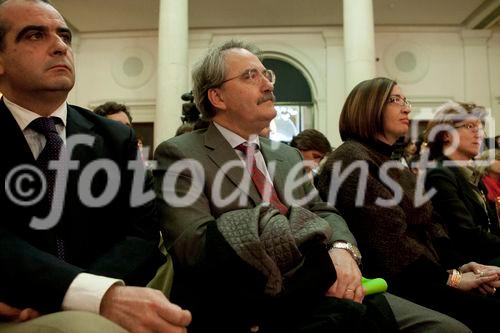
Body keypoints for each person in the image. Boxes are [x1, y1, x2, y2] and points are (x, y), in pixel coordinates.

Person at [154, 41, 471, 333]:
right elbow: (193, 246)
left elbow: (323, 211)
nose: (268, 83)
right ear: (217, 96)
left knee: (449, 329)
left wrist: (342, 250)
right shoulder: (181, 154)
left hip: (336, 281)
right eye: (251, 76)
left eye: (267, 74)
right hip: (263, 301)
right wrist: (310, 259)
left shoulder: (285, 154)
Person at [0, 1, 191, 332]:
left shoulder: (115, 138)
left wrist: (88, 295)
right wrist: (87, 295)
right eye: (34, 35)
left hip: (100, 304)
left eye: (64, 36)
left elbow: (141, 233)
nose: (60, 46)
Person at [315, 77, 500, 333]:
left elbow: (433, 224)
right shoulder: (350, 159)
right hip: (394, 281)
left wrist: (460, 266)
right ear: (368, 107)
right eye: (395, 100)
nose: (407, 108)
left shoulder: (390, 160)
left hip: (424, 274)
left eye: (405, 101)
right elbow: (388, 246)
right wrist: (453, 279)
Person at [424, 102, 500, 266]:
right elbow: (465, 234)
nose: (478, 133)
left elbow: (488, 224)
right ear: (446, 135)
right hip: (468, 262)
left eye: (480, 127)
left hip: (486, 254)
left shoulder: (470, 173)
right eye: (470, 126)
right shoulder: (439, 174)